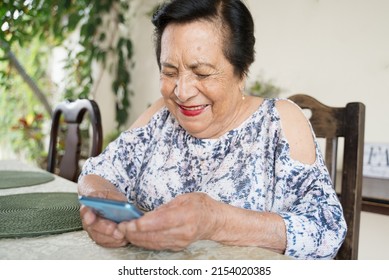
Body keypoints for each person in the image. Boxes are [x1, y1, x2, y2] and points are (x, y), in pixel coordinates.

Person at [78, 0, 347, 259]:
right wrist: (103, 209)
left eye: (202, 73)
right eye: (170, 72)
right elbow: (99, 172)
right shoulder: (160, 114)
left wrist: (217, 221)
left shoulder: (278, 121)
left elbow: (326, 230)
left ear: (242, 71)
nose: (182, 92)